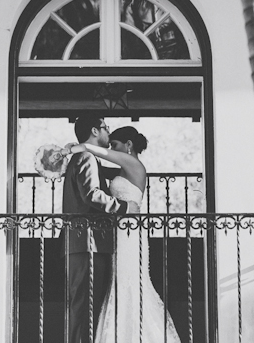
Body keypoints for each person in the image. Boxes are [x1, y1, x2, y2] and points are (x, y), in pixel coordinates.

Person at [63, 126, 181, 343]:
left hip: (129, 234)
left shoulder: (133, 164)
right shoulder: (121, 169)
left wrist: (74, 148)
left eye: (115, 145)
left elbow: (100, 154)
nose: (111, 149)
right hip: (118, 234)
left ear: (128, 145)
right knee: (118, 285)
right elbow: (95, 171)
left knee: (128, 284)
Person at [61, 114, 133, 343]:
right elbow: (91, 194)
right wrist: (125, 207)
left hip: (86, 242)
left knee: (86, 306)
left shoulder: (87, 157)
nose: (108, 132)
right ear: (95, 130)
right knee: (84, 306)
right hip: (86, 242)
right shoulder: (85, 157)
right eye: (106, 127)